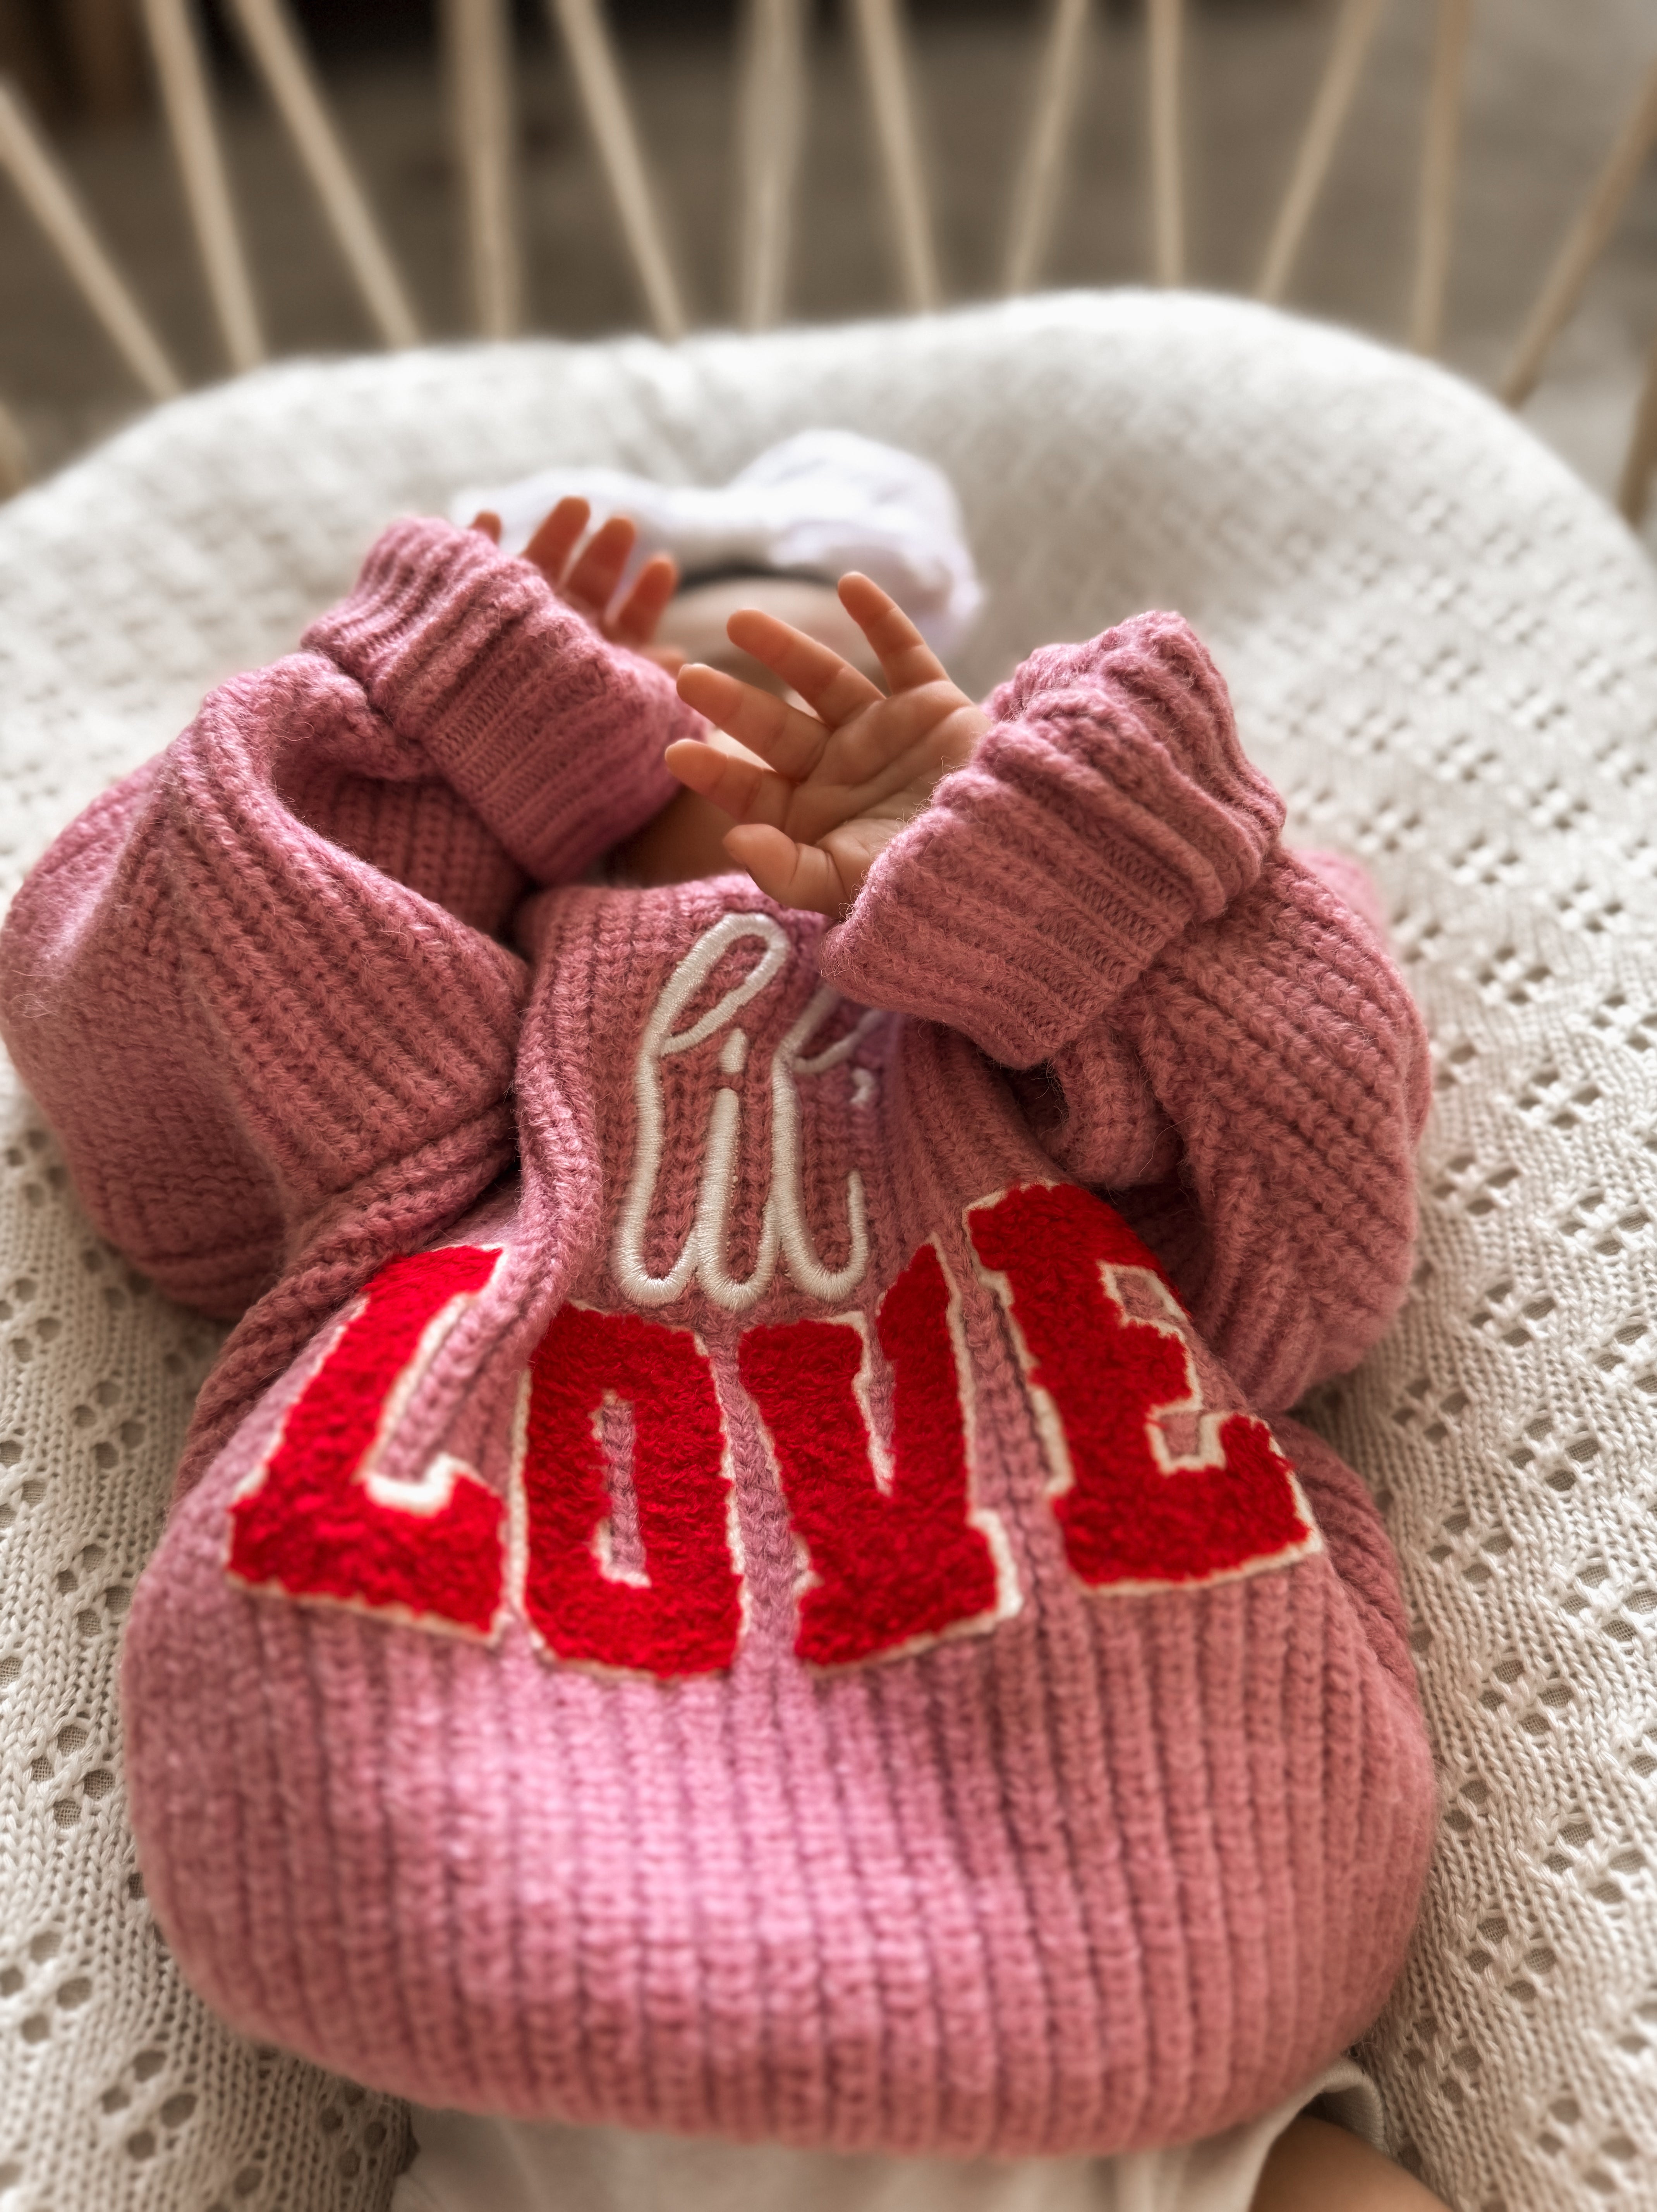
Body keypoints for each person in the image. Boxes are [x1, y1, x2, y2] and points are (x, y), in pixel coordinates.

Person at [0, 469, 1446, 2212]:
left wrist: (1067, 873)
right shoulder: (469, 1060)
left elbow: (1322, 1203)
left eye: (884, 697)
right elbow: (147, 1091)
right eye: (646, 693)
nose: (784, 732)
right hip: (545, 1954)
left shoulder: (1045, 1037)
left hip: (1137, 1902)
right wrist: (416, 735)